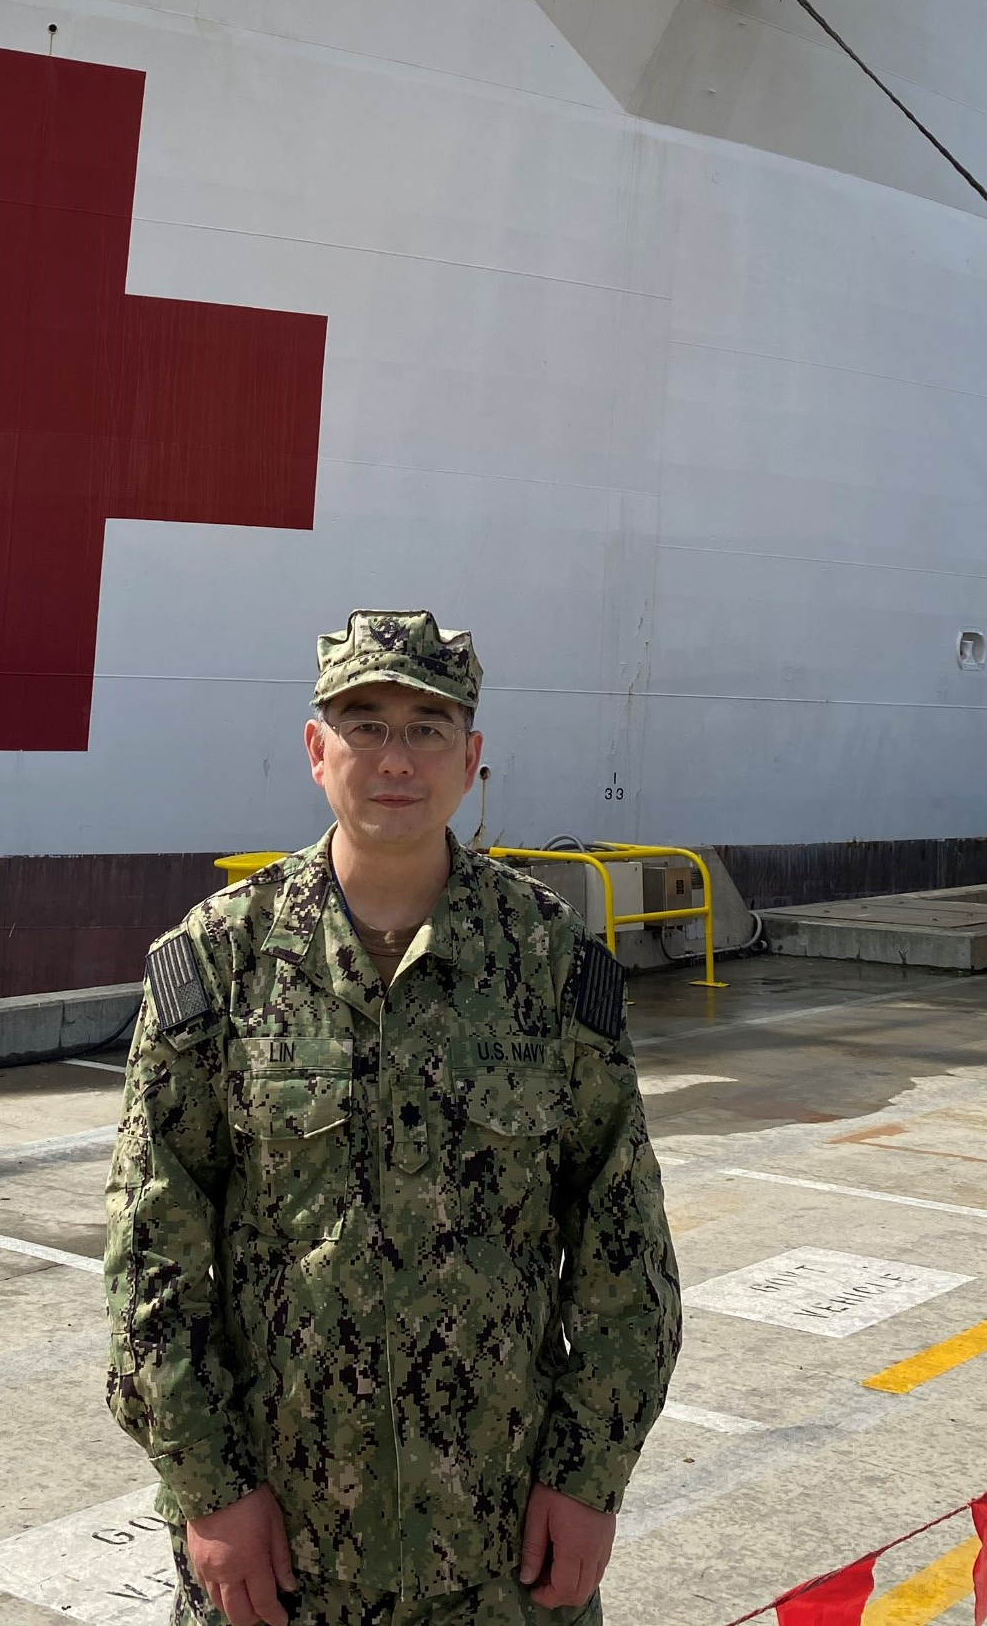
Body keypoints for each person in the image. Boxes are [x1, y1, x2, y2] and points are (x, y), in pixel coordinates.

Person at [105, 609, 682, 1626]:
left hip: (503, 1555)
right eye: (364, 723)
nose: (395, 757)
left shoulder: (548, 961)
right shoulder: (221, 960)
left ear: (470, 756)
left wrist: (588, 1475)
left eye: (426, 727)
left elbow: (622, 1245)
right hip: (279, 1556)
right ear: (314, 747)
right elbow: (152, 1249)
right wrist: (209, 1485)